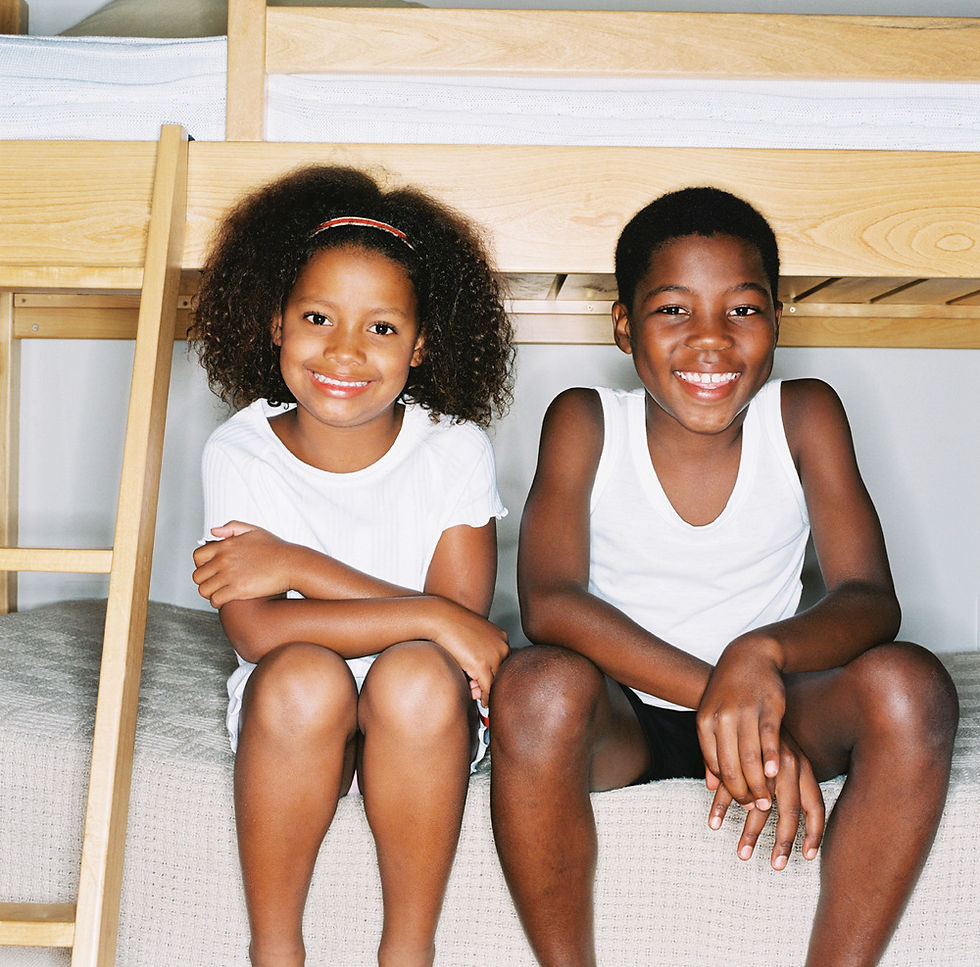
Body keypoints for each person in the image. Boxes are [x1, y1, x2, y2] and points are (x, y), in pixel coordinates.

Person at [489, 186, 959, 967]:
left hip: (774, 706)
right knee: (535, 686)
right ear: (622, 324)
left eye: (742, 310)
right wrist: (726, 691)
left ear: (778, 317)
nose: (710, 341)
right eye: (673, 310)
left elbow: (871, 598)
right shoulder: (585, 419)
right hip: (628, 719)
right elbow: (551, 603)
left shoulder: (804, 414)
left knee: (913, 687)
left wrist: (761, 658)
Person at [189, 165, 513, 967]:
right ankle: (275, 951)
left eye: (381, 328)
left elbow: (457, 633)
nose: (344, 351)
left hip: (423, 716)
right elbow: (258, 631)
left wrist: (297, 562)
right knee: (305, 674)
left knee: (411, 674)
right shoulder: (240, 449)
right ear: (274, 324)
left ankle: (408, 950)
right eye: (317, 317)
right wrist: (431, 612)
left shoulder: (453, 448)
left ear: (422, 343)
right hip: (298, 717)